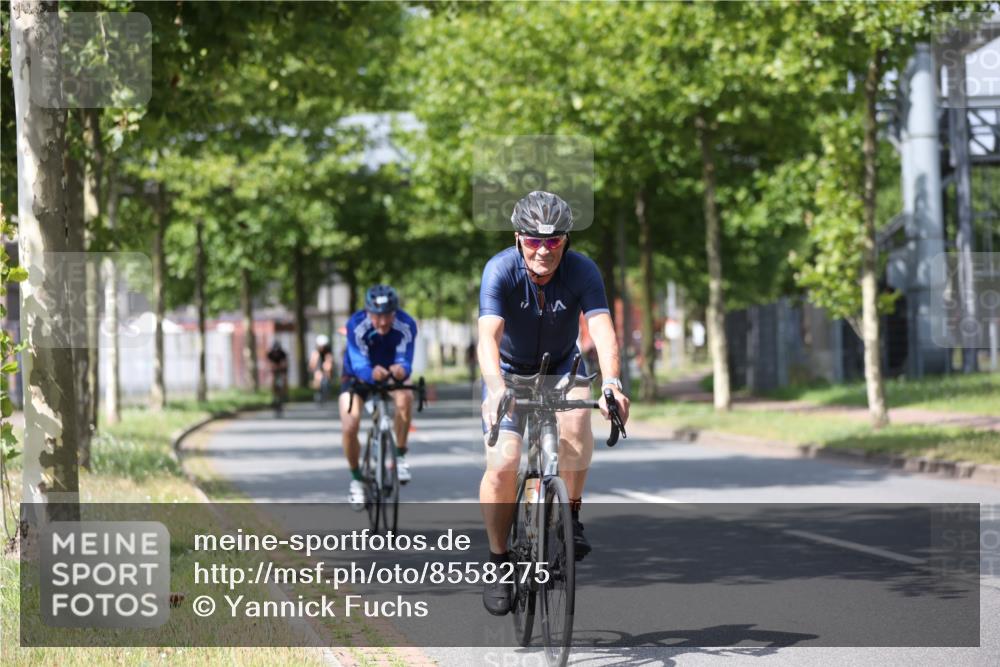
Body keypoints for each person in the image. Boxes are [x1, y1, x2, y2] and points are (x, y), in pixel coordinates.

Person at [477, 191, 630, 616]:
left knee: (578, 421)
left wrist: (612, 383)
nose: (543, 250)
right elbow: (488, 337)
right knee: (503, 465)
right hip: (509, 372)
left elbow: (602, 328)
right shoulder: (500, 270)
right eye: (533, 240)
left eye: (553, 241)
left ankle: (571, 516)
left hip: (562, 366)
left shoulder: (582, 270)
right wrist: (495, 387)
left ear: (566, 240)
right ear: (517, 238)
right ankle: (498, 560)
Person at [339, 285, 419, 509]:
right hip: (357, 376)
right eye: (377, 316)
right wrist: (371, 373)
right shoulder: (356, 324)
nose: (383, 322)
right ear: (367, 312)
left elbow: (406, 359)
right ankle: (356, 479)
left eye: (388, 316)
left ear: (395, 312)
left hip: (390, 373)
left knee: (406, 396)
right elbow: (359, 363)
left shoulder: (407, 324)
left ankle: (400, 455)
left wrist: (401, 369)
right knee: (349, 424)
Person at [309, 334, 335, 403]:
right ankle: (318, 390)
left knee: (328, 370)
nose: (322, 348)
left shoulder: (328, 351)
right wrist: (314, 369)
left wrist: (328, 367)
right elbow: (312, 363)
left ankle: (327, 389)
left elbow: (330, 361)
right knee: (317, 376)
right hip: (318, 367)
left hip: (325, 367)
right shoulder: (315, 352)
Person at [266, 340, 289, 411]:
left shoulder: (283, 353)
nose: (276, 352)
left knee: (284, 379)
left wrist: (281, 367)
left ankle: (285, 393)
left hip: (282, 370)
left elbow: (285, 363)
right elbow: (268, 363)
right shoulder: (270, 354)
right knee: (272, 380)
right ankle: (273, 395)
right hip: (273, 370)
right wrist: (272, 367)